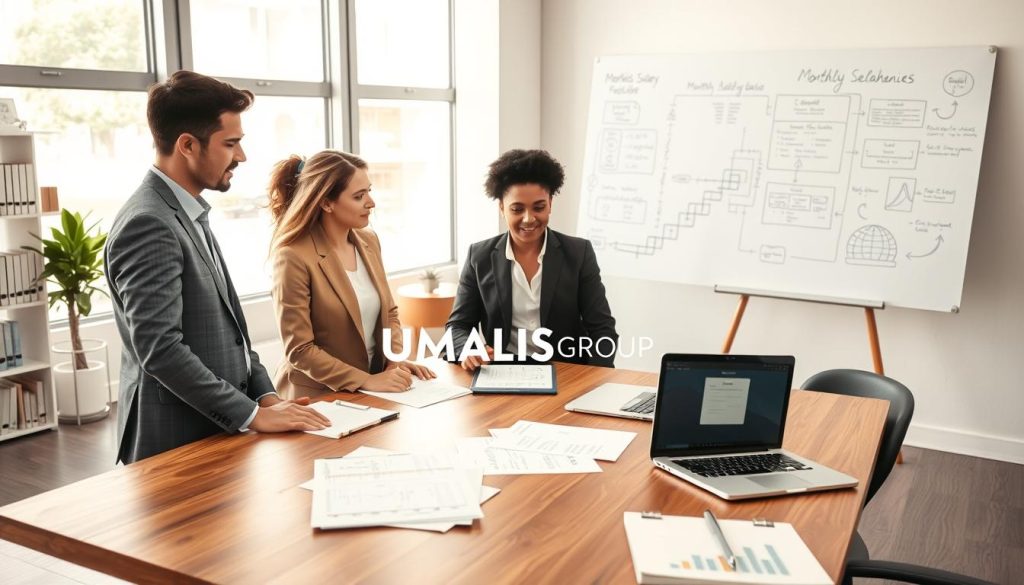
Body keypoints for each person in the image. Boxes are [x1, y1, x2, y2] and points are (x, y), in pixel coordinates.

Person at [105, 70, 330, 464]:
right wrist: (252, 414)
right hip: (174, 437)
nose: (241, 156)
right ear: (188, 145)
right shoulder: (149, 223)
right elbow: (160, 350)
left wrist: (266, 396)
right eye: (231, 143)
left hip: (215, 428)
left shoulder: (186, 211)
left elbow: (231, 333)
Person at [268, 150, 435, 399]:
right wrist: (367, 381)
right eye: (359, 196)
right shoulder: (293, 256)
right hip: (319, 397)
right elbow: (300, 350)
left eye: (369, 191)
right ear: (326, 203)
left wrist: (393, 363)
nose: (371, 202)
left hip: (373, 389)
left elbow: (389, 312)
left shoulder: (369, 241)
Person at [445, 149, 618, 370]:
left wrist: (593, 377)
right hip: (501, 372)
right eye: (517, 209)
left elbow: (602, 328)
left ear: (550, 204)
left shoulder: (578, 252)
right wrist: (467, 349)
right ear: (501, 208)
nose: (528, 219)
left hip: (566, 370)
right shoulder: (479, 257)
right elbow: (457, 327)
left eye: (539, 207)